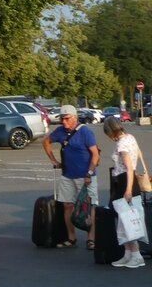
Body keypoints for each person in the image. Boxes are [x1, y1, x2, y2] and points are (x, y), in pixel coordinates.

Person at [43, 104, 100, 249]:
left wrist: (89, 173)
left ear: (75, 118)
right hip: (68, 175)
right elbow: (46, 141)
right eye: (62, 118)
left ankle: (91, 239)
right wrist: (53, 160)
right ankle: (71, 237)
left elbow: (95, 153)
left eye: (67, 118)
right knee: (67, 205)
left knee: (88, 207)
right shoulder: (60, 131)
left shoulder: (85, 132)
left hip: (85, 175)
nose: (64, 122)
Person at [103, 116, 144, 268]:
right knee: (124, 220)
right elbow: (137, 155)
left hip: (125, 183)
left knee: (127, 220)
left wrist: (127, 190)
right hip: (128, 182)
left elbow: (128, 168)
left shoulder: (121, 144)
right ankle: (128, 254)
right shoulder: (130, 138)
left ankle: (136, 255)